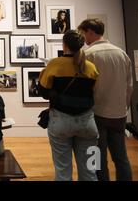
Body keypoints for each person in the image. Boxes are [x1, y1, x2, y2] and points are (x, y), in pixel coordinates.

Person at [39, 30, 99, 181]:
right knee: (90, 172)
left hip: (60, 122)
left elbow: (44, 93)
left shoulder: (54, 64)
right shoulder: (91, 67)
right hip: (88, 124)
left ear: (64, 45)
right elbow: (94, 93)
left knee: (62, 172)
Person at [78, 19, 134, 181]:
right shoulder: (121, 53)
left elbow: (83, 86)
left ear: (90, 32)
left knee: (95, 158)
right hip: (118, 114)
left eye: (84, 33)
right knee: (121, 157)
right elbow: (129, 86)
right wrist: (123, 107)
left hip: (97, 112)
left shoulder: (88, 55)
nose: (84, 38)